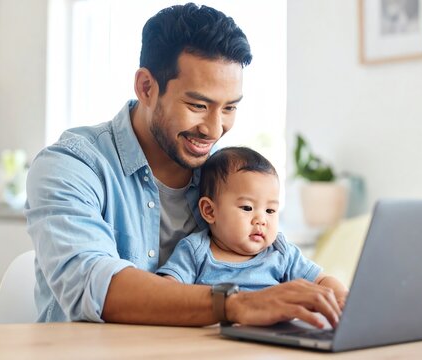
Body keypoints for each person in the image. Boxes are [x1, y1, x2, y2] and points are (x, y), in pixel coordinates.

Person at [25, 2, 344, 329]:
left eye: (229, 108)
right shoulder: (71, 164)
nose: (214, 129)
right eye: (198, 105)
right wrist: (235, 304)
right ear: (147, 87)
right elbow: (92, 285)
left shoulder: (224, 176)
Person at [157, 147, 348, 305]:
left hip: (270, 340)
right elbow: (168, 292)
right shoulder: (195, 251)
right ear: (209, 211)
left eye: (270, 211)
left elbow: (321, 280)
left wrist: (341, 297)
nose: (261, 220)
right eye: (247, 207)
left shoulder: (280, 253)